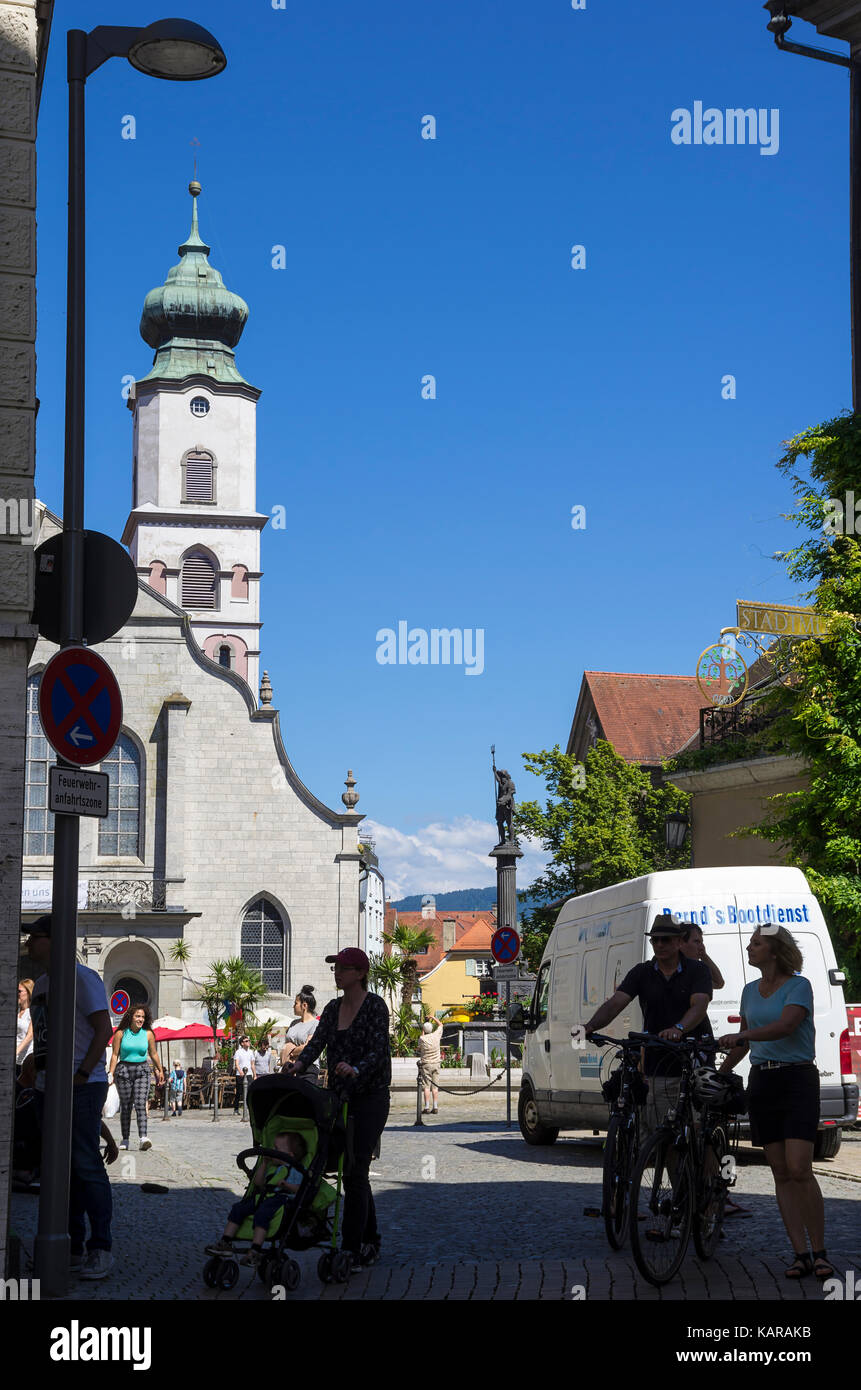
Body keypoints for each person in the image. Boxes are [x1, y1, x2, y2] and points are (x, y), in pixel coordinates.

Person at [718, 925, 832, 1280]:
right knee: (780, 1172)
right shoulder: (750, 990)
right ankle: (800, 1254)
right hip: (763, 1080)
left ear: (775, 950)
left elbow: (786, 1025)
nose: (749, 948)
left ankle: (821, 1252)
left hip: (797, 1079)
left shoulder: (799, 985)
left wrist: (744, 1033)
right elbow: (744, 1044)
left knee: (800, 1167)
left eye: (756, 943)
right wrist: (722, 1071)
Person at [284, 947, 390, 1272]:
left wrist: (356, 1068)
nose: (337, 973)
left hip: (370, 1096)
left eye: (343, 968)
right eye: (335, 968)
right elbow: (318, 1043)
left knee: (356, 1170)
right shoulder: (332, 1008)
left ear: (360, 973)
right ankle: (370, 1240)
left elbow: (379, 1048)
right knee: (351, 1174)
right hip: (339, 1096)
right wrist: (299, 1063)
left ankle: (352, 1248)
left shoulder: (375, 1006)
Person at [24, 914, 115, 1279]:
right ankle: (72, 1245)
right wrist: (36, 1064)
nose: (29, 943)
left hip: (81, 1085)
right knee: (59, 1169)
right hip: (48, 1086)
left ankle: (101, 1247)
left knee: (86, 1165)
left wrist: (80, 1075)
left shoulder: (81, 977)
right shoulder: (43, 983)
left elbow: (103, 1029)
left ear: (55, 940)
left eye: (36, 936)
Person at [584, 915, 712, 1132]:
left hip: (691, 1054)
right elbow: (615, 1003)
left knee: (699, 1128)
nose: (659, 945)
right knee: (662, 1130)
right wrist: (589, 1027)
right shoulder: (642, 972)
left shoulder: (697, 970)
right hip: (657, 1058)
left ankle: (706, 1162)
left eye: (666, 940)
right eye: (655, 940)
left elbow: (699, 1006)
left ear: (679, 942)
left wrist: (679, 1029)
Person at [205, 1130, 307, 1266]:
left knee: (262, 1213)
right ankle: (225, 1241)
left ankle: (255, 1250)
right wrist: (263, 1164)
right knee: (238, 1208)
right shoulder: (272, 1168)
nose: (272, 1151)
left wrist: (286, 1184)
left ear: (289, 1156)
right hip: (264, 1196)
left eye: (276, 1149)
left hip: (281, 1198)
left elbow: (302, 1189)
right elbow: (258, 1183)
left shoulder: (297, 1170)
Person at [109, 1003, 164, 1151]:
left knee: (140, 1103)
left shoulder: (148, 1034)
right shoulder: (121, 1033)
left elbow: (153, 1054)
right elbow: (115, 1055)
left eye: (142, 1017)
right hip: (124, 1070)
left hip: (142, 1070)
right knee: (126, 1106)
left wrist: (159, 1069)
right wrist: (110, 1073)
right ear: (131, 1017)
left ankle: (143, 1138)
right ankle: (125, 1139)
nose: (140, 1019)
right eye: (137, 1016)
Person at [279, 986, 319, 1075]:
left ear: (304, 1005)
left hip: (308, 1068)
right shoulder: (293, 1023)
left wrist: (289, 1051)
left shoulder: (315, 1024)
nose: (293, 1006)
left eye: (295, 1003)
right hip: (290, 1068)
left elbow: (308, 1047)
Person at [418, 1018, 442, 1114]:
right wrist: (433, 1018)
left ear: (424, 1030)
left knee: (426, 1087)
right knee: (435, 1087)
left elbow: (419, 1045)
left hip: (426, 1064)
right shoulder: (436, 1035)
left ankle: (427, 1106)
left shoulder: (422, 1039)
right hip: (436, 1063)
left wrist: (423, 1030)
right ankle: (435, 1106)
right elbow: (441, 1025)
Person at [233, 1034, 256, 1114]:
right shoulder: (238, 1052)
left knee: (250, 1092)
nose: (248, 1042)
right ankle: (236, 1109)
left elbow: (252, 1064)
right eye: (246, 1041)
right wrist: (240, 1071)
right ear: (242, 1043)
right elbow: (236, 1064)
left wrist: (255, 1075)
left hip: (249, 1074)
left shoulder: (251, 1052)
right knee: (239, 1092)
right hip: (240, 1075)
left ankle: (250, 1109)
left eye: (248, 1040)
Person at [16, 978, 34, 1073]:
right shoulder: (16, 1011)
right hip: (13, 1060)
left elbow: (30, 1035)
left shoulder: (32, 1012)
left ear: (28, 993)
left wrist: (16, 1051)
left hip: (24, 1061)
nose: (17, 993)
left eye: (19, 991)